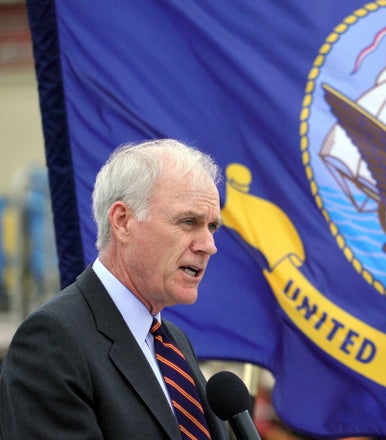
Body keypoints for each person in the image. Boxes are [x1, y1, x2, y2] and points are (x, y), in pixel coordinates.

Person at [0, 139, 228, 439]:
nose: (209, 246)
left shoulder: (174, 342)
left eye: (212, 227)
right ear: (122, 222)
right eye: (188, 222)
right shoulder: (52, 340)